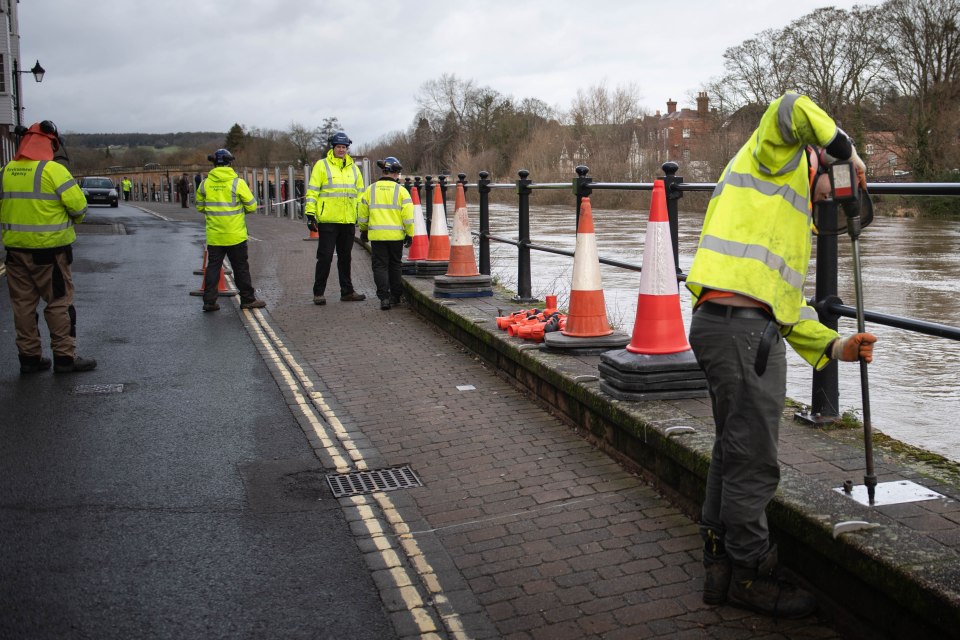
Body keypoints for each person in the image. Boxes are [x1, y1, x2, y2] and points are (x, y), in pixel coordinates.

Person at [685, 91, 877, 618]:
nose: (832, 198)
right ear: (821, 160)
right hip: (739, 330)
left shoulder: (786, 211)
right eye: (836, 186)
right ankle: (752, 573)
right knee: (754, 459)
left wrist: (839, 345)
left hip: (730, 326)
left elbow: (786, 310)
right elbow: (791, 105)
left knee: (732, 447)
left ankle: (720, 563)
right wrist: (849, 150)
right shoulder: (779, 156)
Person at [0, 120, 97, 373]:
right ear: (50, 145)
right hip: (50, 253)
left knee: (23, 305)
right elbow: (79, 208)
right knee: (58, 303)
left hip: (14, 252)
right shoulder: (53, 171)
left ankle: (29, 358)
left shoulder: (6, 170)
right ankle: (64, 357)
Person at [195, 148, 266, 312]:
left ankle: (209, 301)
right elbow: (252, 205)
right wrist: (240, 211)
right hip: (235, 234)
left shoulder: (206, 183)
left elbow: (200, 206)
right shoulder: (237, 182)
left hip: (215, 234)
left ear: (214, 163)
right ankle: (247, 299)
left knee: (213, 268)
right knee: (241, 268)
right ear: (229, 163)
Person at [304, 131, 365, 305]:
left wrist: (361, 218)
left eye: (344, 147)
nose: (341, 150)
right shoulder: (322, 166)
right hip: (328, 220)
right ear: (333, 147)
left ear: (347, 148)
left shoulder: (354, 168)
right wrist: (310, 214)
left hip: (347, 220)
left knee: (345, 258)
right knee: (325, 257)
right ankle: (318, 292)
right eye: (338, 146)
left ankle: (347, 291)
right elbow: (313, 191)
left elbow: (360, 194)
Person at [358, 157, 414, 310]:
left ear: (383, 171)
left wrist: (363, 231)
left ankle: (384, 298)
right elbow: (408, 217)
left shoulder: (370, 189)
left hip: (377, 236)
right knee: (395, 265)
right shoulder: (402, 191)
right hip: (396, 236)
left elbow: (362, 215)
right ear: (396, 173)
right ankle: (395, 296)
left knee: (380, 266)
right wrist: (410, 234)